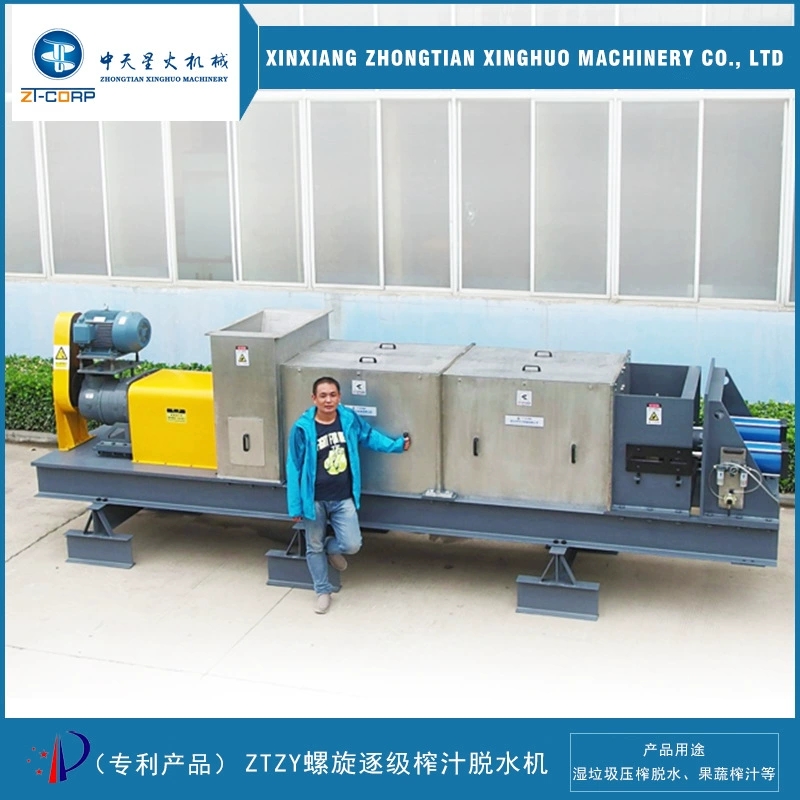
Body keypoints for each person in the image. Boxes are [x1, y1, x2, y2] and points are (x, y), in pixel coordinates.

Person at [286, 376, 411, 614]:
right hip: (314, 500)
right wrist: (295, 506)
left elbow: (369, 436)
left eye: (332, 395)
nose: (328, 400)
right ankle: (322, 591)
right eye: (323, 395)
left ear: (339, 397)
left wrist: (395, 445)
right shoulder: (302, 428)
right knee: (313, 547)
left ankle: (332, 548)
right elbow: (294, 465)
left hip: (343, 497)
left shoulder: (348, 419)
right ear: (314, 398)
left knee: (352, 544)